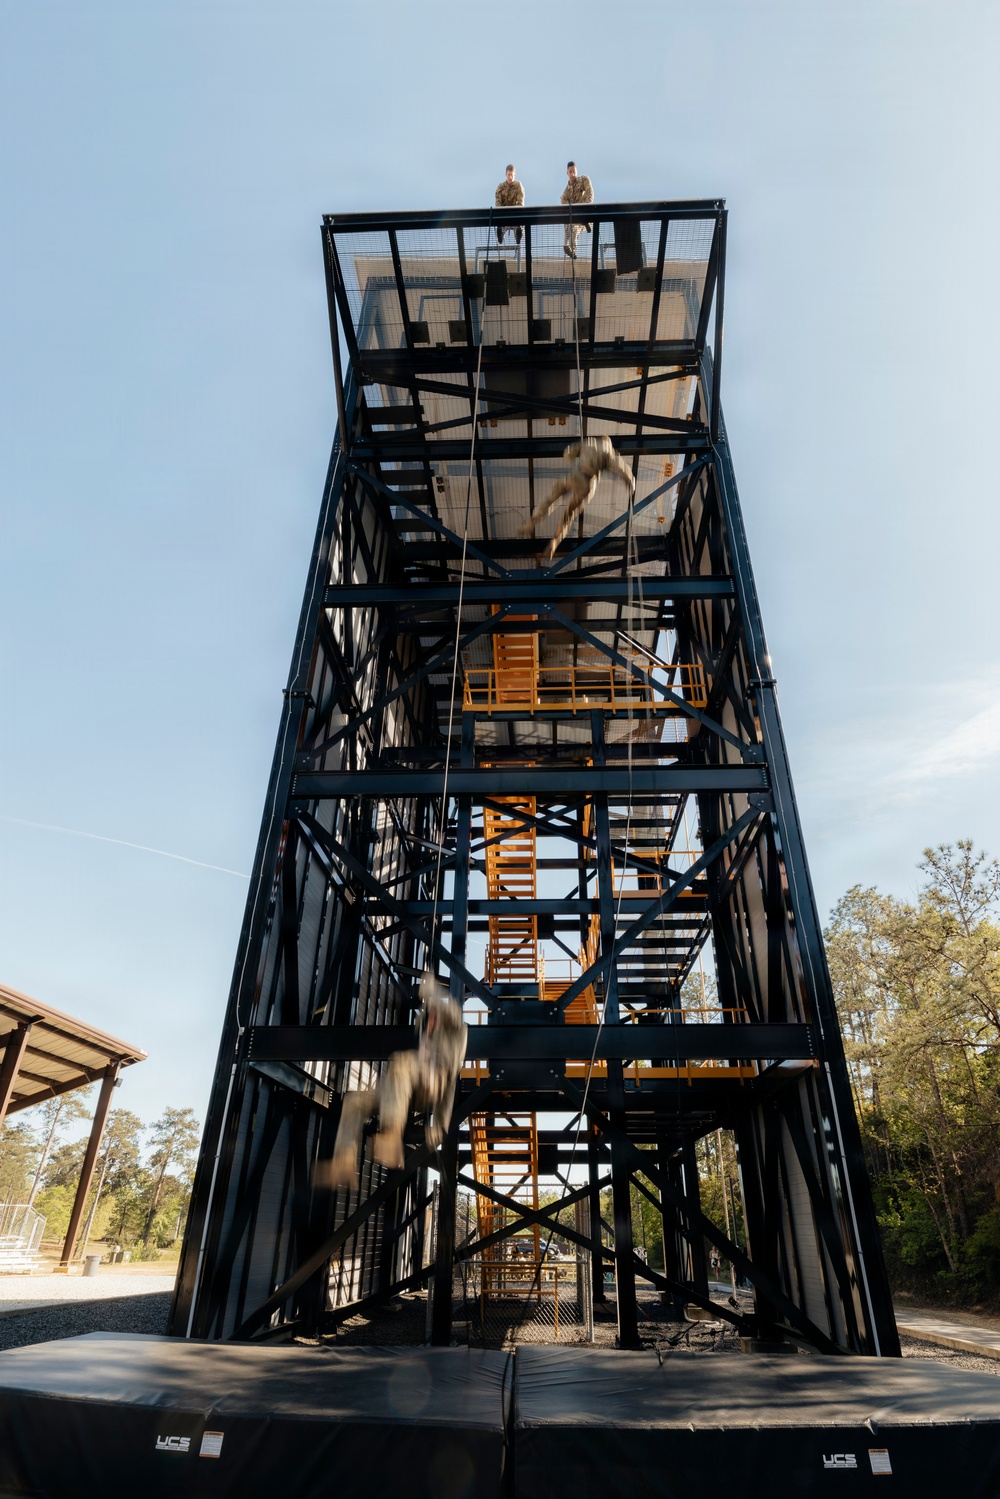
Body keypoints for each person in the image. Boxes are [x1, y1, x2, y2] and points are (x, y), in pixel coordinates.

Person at [324, 975, 468, 1190]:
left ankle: (391, 1136)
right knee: (353, 1102)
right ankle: (343, 1160)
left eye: (433, 1018)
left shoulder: (457, 1030)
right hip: (403, 1089)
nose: (429, 1023)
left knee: (401, 1061)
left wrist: (440, 1123)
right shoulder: (423, 1027)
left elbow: (450, 1084)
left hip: (431, 1084)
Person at [518, 435, 634, 560]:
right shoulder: (609, 452)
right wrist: (630, 481)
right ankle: (555, 540)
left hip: (575, 475)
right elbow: (621, 468)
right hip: (588, 483)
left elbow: (568, 453)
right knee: (569, 513)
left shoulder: (588, 442)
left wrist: (575, 457)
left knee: (552, 498)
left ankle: (533, 520)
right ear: (609, 443)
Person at [560, 161, 594, 258]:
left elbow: (589, 192)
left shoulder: (583, 180)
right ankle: (571, 250)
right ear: (567, 173)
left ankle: (586, 221)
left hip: (585, 214)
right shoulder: (566, 193)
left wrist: (587, 207)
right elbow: (566, 212)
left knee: (573, 227)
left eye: (574, 171)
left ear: (577, 171)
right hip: (575, 218)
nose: (572, 174)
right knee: (571, 227)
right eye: (570, 172)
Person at [495, 164, 524, 244]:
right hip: (503, 215)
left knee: (519, 229)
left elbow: (520, 202)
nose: (510, 177)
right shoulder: (500, 187)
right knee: (500, 227)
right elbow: (498, 203)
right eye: (508, 174)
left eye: (512, 175)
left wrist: (515, 214)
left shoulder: (518, 186)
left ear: (514, 175)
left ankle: (518, 235)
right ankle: (500, 235)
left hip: (515, 214)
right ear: (505, 174)